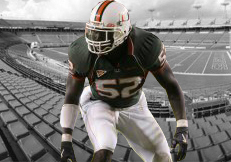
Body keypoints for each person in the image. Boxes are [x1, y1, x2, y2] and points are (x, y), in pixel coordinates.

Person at [60, 0, 188, 162]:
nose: (94, 40)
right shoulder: (81, 51)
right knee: (104, 148)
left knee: (162, 156)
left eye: (102, 34)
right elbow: (72, 94)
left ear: (122, 32)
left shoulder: (146, 46)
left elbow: (171, 85)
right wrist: (66, 140)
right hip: (98, 102)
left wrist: (182, 126)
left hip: (134, 104)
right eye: (93, 32)